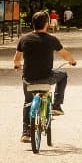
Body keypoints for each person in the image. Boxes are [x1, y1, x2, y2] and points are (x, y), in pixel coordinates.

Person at [13, 11, 77, 142]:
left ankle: (25, 133)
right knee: (63, 75)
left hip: (28, 78)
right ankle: (56, 106)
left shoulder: (24, 39)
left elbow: (17, 58)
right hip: (46, 77)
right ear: (47, 24)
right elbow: (65, 54)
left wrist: (17, 65)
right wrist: (72, 61)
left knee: (28, 102)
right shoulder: (51, 39)